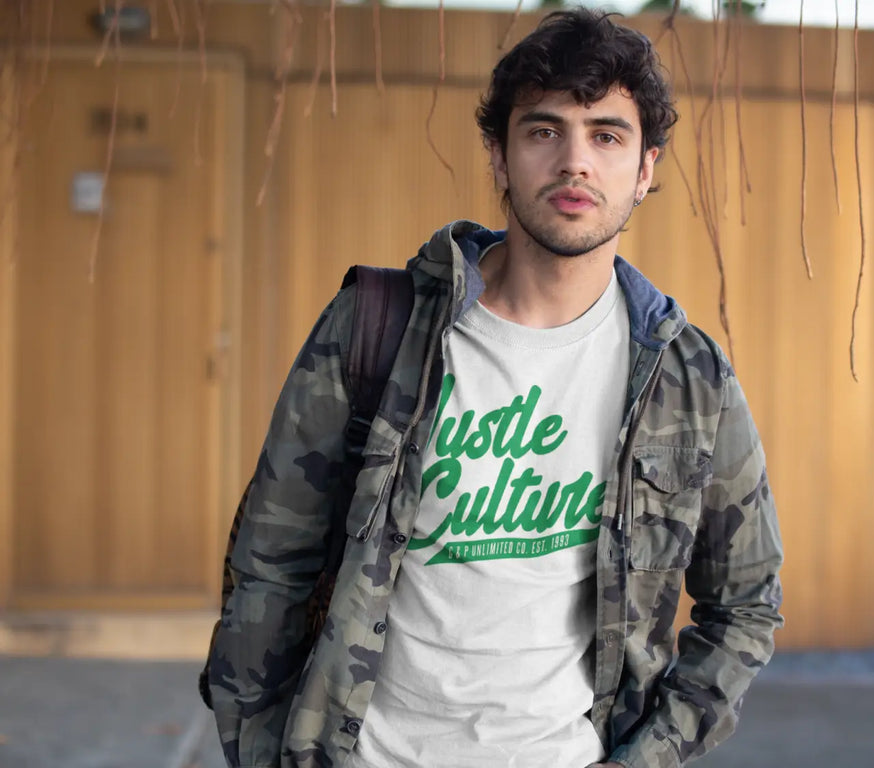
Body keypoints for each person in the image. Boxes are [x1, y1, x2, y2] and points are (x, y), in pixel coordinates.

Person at [208, 8, 783, 768]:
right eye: (544, 131)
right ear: (500, 157)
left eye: (606, 136)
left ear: (645, 169)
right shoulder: (378, 328)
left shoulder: (690, 379)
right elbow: (267, 562)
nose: (575, 162)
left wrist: (649, 757)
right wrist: (257, 750)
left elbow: (745, 604)